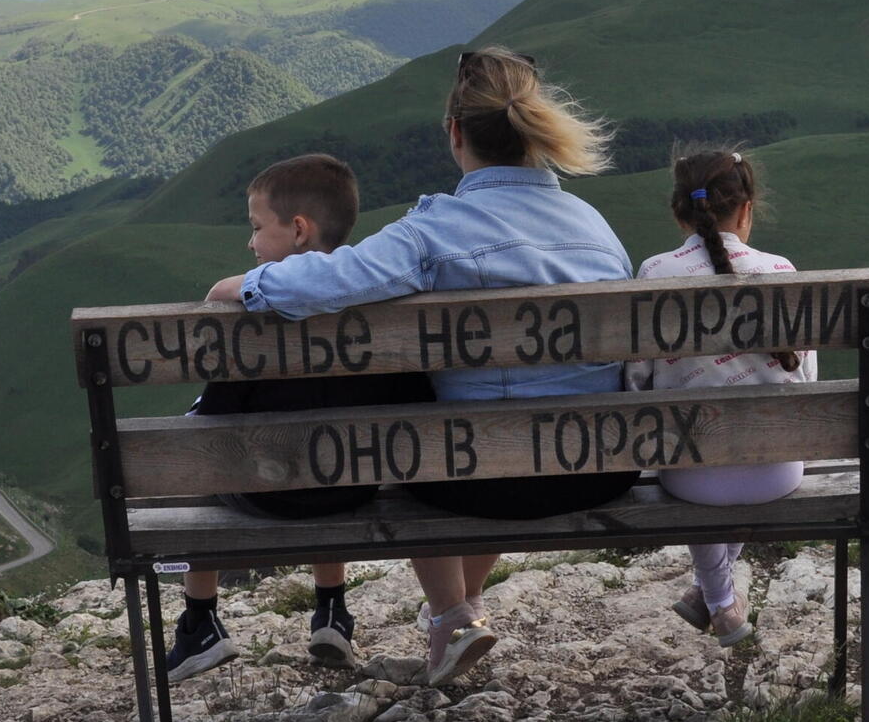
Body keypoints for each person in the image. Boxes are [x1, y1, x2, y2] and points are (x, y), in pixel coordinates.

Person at [207, 46, 632, 686]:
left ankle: (451, 614)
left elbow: (328, 280)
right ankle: (459, 612)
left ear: (455, 133)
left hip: (473, 478)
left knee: (417, 434)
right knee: (492, 432)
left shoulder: (433, 230)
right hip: (595, 469)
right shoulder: (593, 225)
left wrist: (246, 285)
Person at [162, 154, 433, 684]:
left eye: (257, 227)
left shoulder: (254, 320)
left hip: (269, 494)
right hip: (353, 491)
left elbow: (212, 423)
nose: (251, 242)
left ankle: (200, 624)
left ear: (299, 230)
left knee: (197, 454)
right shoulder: (378, 307)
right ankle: (331, 611)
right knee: (331, 450)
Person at [624, 149, 815, 646]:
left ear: (680, 212)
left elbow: (636, 382)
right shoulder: (781, 269)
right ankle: (715, 600)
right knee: (734, 456)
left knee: (695, 455)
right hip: (777, 472)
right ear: (747, 209)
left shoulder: (656, 272)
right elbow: (806, 382)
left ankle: (720, 603)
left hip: (690, 477)